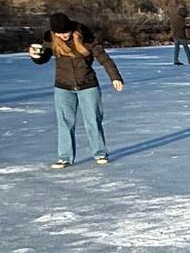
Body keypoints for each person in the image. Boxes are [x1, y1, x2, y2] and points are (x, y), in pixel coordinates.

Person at [30, 13, 124, 168]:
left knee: (93, 120)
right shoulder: (52, 41)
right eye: (59, 33)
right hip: (63, 86)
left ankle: (100, 153)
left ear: (71, 28)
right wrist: (36, 56)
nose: (63, 35)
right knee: (64, 122)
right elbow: (43, 58)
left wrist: (115, 77)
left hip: (87, 85)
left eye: (65, 32)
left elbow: (104, 59)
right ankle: (64, 157)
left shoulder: (86, 38)